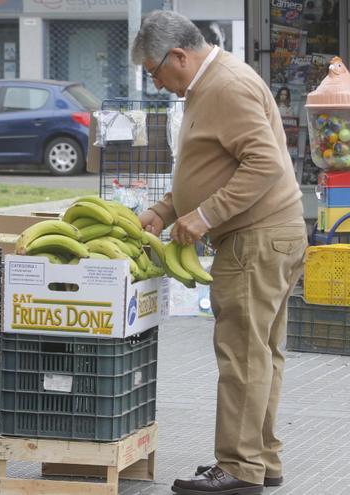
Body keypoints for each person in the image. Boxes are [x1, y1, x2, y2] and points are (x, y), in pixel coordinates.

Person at [131, 11, 306, 495]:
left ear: (179, 56)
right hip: (269, 236)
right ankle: (261, 459)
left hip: (255, 239)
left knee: (243, 356)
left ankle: (239, 468)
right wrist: (168, 210)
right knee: (262, 354)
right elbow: (216, 163)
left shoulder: (225, 86)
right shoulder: (212, 85)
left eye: (154, 71)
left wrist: (206, 216)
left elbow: (264, 163)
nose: (156, 82)